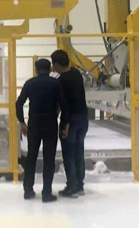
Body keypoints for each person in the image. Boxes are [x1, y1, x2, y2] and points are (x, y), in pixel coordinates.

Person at [16, 58, 65, 203]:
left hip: (34, 124)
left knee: (31, 157)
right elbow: (63, 104)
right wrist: (64, 122)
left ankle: (28, 190)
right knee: (49, 159)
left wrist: (22, 122)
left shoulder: (30, 83)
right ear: (50, 69)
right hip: (50, 124)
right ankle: (46, 193)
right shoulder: (56, 84)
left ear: (36, 70)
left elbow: (19, 103)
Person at [51, 49, 89, 198]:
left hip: (70, 120)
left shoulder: (62, 81)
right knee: (79, 151)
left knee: (69, 153)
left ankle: (71, 186)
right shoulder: (77, 74)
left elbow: (64, 104)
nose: (53, 67)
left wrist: (65, 124)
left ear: (57, 64)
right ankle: (80, 185)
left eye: (53, 64)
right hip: (83, 118)